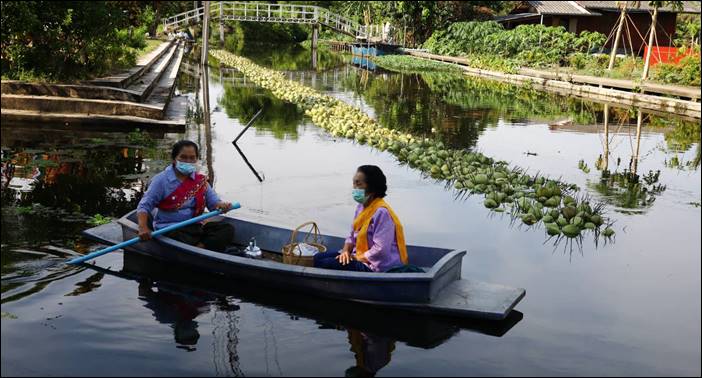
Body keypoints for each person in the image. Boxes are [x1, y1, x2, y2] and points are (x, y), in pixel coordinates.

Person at [136, 140, 234, 252]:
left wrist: (222, 206)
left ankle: (199, 248)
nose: (188, 161)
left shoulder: (200, 181)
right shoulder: (161, 180)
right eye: (183, 157)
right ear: (174, 159)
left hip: (195, 226)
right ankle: (202, 247)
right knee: (181, 236)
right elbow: (144, 206)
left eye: (192, 158)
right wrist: (143, 228)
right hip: (171, 228)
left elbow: (214, 204)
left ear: (197, 159)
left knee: (227, 229)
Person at [314, 165, 408, 272]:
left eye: (358, 184)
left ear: (372, 188)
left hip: (374, 264)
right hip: (357, 255)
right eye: (354, 183)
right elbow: (351, 236)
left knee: (324, 263)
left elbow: (381, 250)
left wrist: (354, 258)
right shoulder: (361, 207)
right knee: (318, 257)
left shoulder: (382, 213)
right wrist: (345, 251)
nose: (354, 188)